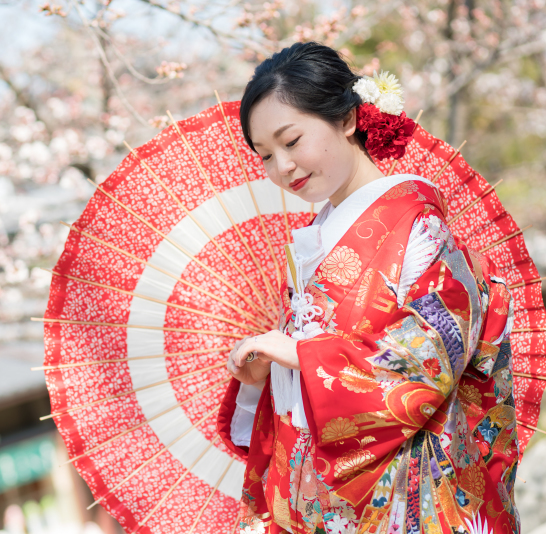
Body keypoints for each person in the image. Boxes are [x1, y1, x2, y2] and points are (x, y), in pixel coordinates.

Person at [216, 42, 520, 534]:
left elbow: (424, 361)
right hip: (326, 501)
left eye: (291, 141)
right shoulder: (317, 245)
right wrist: (268, 376)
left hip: (407, 495)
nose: (282, 167)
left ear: (347, 120)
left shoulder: (418, 228)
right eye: (266, 155)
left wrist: (301, 355)